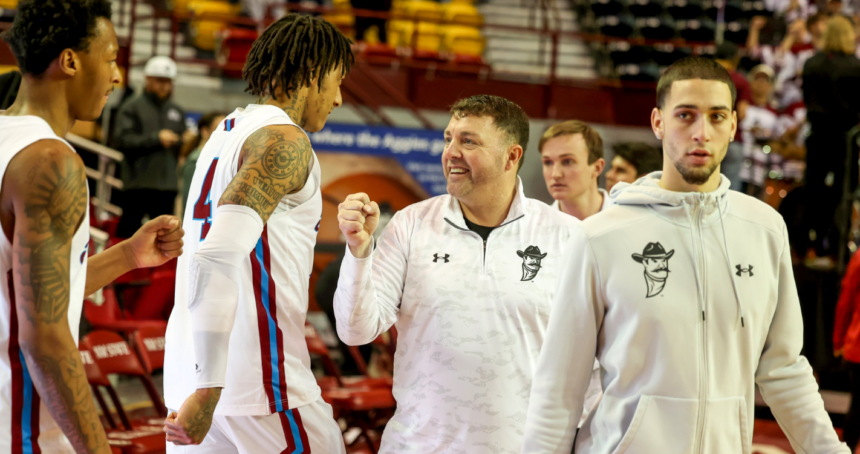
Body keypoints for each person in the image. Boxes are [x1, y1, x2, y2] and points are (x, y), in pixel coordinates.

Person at [521, 56, 848, 453]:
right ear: (658, 122)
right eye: (686, 116)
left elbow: (783, 369)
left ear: (733, 126)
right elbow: (559, 386)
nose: (701, 133)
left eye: (716, 117)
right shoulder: (600, 236)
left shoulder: (764, 228)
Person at [334, 94, 599, 453]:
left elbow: (591, 364)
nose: (451, 152)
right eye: (449, 139)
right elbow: (356, 330)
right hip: (418, 445)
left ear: (512, 156)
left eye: (468, 141)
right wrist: (359, 252)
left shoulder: (566, 235)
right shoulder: (411, 224)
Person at [162, 13, 354, 453]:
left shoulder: (225, 130)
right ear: (311, 74)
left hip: (193, 373)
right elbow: (218, 255)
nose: (339, 98)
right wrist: (211, 387)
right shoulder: (284, 141)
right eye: (337, 81)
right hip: (257, 386)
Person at [0, 1, 185, 452]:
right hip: (24, 428)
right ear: (69, 61)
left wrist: (127, 256)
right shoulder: (51, 160)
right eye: (110, 59)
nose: (118, 77)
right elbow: (44, 336)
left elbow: (27, 287)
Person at [801, 14, 860, 260]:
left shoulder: (811, 63)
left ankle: (805, 243)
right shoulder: (854, 66)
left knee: (812, 189)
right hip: (844, 140)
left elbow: (806, 97)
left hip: (817, 135)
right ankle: (836, 245)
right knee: (843, 193)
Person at [113, 55, 187, 238]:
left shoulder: (176, 111)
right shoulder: (131, 107)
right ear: (147, 79)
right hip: (138, 185)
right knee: (128, 235)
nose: (164, 86)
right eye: (159, 80)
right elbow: (122, 141)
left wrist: (185, 142)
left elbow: (182, 146)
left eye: (168, 81)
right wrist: (156, 138)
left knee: (164, 240)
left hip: (167, 187)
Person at [540, 120, 609, 220]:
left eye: (567, 161)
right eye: (548, 162)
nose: (555, 174)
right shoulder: (536, 227)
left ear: (597, 167)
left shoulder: (627, 219)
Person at [715, 41, 753, 190]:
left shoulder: (706, 77)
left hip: (707, 138)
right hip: (733, 139)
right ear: (735, 58)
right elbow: (742, 114)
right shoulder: (741, 81)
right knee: (730, 189)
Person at [178, 111, 226, 214]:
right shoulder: (195, 163)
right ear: (205, 131)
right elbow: (189, 205)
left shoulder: (223, 161)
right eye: (219, 128)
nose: (226, 133)